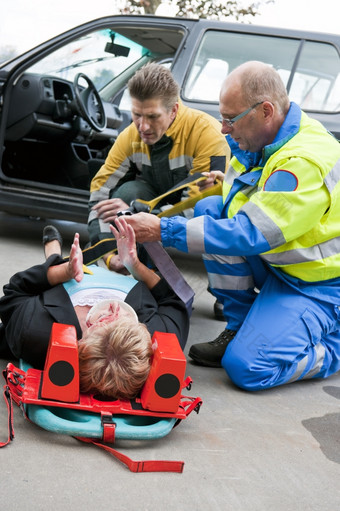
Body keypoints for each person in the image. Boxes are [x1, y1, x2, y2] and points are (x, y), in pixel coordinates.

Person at [121, 60, 340, 392]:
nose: (223, 129)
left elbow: (251, 232)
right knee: (211, 209)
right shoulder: (265, 139)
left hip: (316, 286)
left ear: (266, 111)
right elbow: (244, 203)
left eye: (230, 119)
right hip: (280, 266)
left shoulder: (301, 163)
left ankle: (333, 349)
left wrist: (164, 230)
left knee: (248, 368)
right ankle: (239, 326)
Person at [0, 219, 189, 399]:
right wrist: (135, 265)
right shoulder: (162, 337)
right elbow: (171, 298)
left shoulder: (35, 331)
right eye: (125, 320)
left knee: (58, 262)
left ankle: (54, 255)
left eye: (107, 318)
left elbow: (15, 292)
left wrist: (62, 272)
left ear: (82, 341)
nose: (115, 306)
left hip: (66, 278)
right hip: (121, 276)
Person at [88, 62, 230, 271]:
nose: (142, 127)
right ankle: (138, 268)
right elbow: (99, 194)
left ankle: (226, 292)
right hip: (155, 204)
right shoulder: (130, 136)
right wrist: (108, 255)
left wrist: (133, 215)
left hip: (203, 214)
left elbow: (198, 207)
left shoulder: (208, 134)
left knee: (212, 205)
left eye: (153, 117)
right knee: (129, 192)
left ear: (173, 111)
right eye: (137, 115)